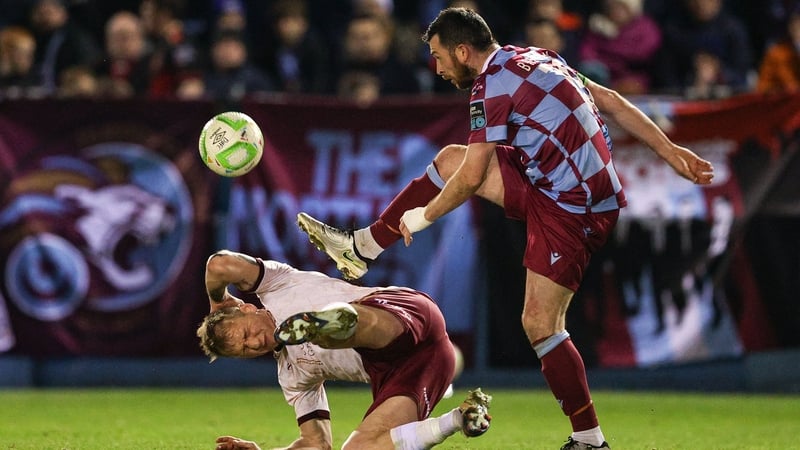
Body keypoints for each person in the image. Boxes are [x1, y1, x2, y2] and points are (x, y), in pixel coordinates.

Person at [296, 7, 714, 449]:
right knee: (451, 159)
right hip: (550, 183)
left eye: (438, 56)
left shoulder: (490, 86)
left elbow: (473, 178)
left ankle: (590, 440)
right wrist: (671, 151)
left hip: (575, 208)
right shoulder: (537, 56)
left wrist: (423, 216)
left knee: (540, 323)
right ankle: (362, 247)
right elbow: (609, 100)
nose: (437, 69)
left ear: (462, 51)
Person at [196, 250, 492, 450]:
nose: (254, 344)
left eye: (246, 333)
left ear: (246, 308)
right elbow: (316, 444)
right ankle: (458, 419)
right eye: (244, 350)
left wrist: (217, 300)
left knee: (347, 327)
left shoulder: (276, 285)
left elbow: (218, 265)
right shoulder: (292, 375)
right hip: (418, 368)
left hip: (398, 315)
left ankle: (332, 322)